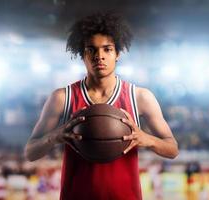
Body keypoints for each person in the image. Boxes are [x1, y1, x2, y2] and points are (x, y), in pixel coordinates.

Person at [25, 12, 178, 200]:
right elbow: (30, 152)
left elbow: (172, 149)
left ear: (118, 53)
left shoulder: (140, 97)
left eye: (107, 49)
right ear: (82, 54)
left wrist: (146, 138)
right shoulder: (62, 98)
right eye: (92, 49)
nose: (100, 56)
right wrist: (54, 137)